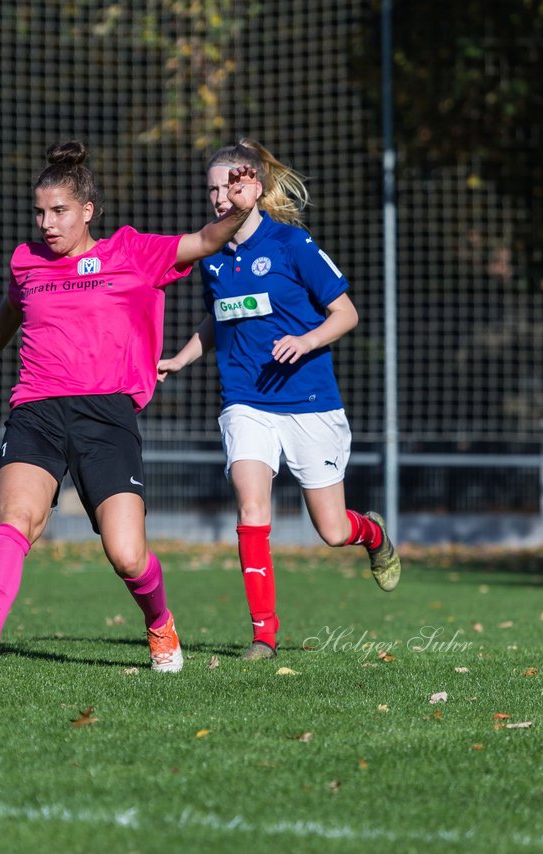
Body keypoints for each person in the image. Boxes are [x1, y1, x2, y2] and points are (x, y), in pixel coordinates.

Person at [0, 140, 257, 673]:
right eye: (39, 212)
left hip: (105, 415)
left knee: (127, 555)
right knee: (17, 519)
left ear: (88, 211)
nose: (47, 223)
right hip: (35, 408)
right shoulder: (26, 262)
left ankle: (160, 624)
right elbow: (10, 309)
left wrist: (243, 209)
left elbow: (204, 240)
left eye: (59, 211)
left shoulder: (131, 253)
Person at [157, 138, 402, 661]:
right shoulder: (213, 257)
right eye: (213, 189)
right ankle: (264, 635)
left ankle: (373, 534)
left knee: (333, 531)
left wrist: (306, 340)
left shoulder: (293, 245)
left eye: (232, 184)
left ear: (256, 187)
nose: (221, 196)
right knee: (251, 503)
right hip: (245, 399)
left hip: (310, 401)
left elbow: (346, 314)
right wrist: (180, 357)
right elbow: (217, 320)